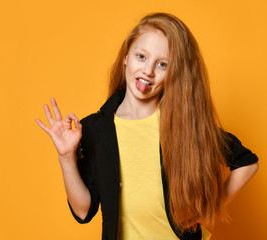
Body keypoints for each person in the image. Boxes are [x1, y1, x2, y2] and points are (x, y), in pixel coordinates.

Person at [35, 12, 259, 240]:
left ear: (174, 73)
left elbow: (247, 163)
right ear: (126, 56)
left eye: (162, 64)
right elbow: (83, 211)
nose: (148, 71)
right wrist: (66, 157)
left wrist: (210, 208)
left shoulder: (185, 124)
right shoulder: (94, 129)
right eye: (141, 57)